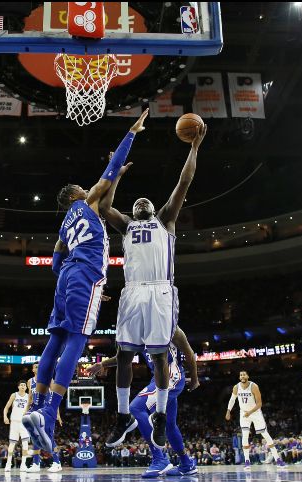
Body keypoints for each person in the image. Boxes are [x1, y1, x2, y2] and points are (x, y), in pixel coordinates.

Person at [23, 109, 149, 454]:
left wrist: (75, 279)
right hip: (84, 275)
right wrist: (132, 132)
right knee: (77, 340)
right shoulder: (87, 199)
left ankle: (38, 407)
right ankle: (48, 414)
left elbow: (56, 263)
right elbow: (109, 172)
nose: (85, 186)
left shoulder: (64, 225)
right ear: (75, 194)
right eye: (81, 187)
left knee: (55, 339)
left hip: (67, 278)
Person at [100, 121, 207, 450]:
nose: (142, 203)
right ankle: (123, 417)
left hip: (161, 290)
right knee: (123, 354)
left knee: (160, 356)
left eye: (145, 202)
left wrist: (194, 148)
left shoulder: (166, 219)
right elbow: (104, 207)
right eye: (137, 203)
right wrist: (116, 175)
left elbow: (184, 181)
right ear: (133, 212)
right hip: (132, 290)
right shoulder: (126, 225)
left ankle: (160, 414)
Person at [90, 326, 200, 478]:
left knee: (136, 409)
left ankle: (160, 459)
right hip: (158, 378)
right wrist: (103, 364)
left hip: (171, 377)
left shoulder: (169, 326)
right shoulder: (138, 330)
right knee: (169, 425)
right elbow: (124, 357)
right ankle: (186, 464)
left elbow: (189, 353)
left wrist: (194, 379)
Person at [225, 370, 286, 470]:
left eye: (244, 374)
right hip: (244, 413)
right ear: (239, 377)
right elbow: (232, 400)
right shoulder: (236, 387)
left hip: (255, 412)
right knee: (244, 436)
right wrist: (228, 411)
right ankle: (247, 462)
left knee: (265, 435)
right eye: (241, 375)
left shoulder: (254, 386)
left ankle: (278, 460)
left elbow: (259, 404)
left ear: (247, 376)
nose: (242, 376)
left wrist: (250, 412)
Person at [24, 363, 63, 473]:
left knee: (48, 437)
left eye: (39, 366)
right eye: (36, 367)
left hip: (47, 410)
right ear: (32, 369)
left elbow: (55, 397)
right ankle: (36, 464)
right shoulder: (30, 381)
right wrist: (26, 412)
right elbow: (30, 398)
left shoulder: (48, 379)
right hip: (35, 410)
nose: (38, 368)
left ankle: (57, 463)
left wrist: (58, 414)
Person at [3, 381, 30, 471]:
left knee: (25, 444)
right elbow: (6, 407)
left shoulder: (28, 396)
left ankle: (23, 464)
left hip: (24, 422)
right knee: (12, 444)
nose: (23, 386)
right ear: (18, 387)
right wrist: (5, 416)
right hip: (14, 422)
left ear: (26, 387)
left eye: (24, 385)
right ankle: (8, 464)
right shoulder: (14, 395)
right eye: (21, 385)